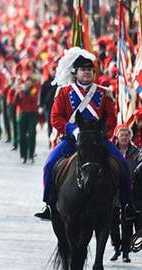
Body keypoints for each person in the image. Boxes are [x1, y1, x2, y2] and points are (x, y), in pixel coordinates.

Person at [34, 47, 140, 221]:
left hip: (98, 140)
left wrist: (101, 132)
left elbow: (111, 118)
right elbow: (55, 117)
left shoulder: (103, 93)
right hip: (72, 139)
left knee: (122, 164)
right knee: (49, 164)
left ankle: (127, 204)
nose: (87, 73)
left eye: (90, 70)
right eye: (83, 70)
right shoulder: (64, 92)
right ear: (75, 72)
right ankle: (50, 204)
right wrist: (72, 130)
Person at [110, 125, 139, 263]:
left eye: (127, 136)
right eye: (122, 135)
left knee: (127, 223)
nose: (124, 138)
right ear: (117, 137)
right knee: (113, 223)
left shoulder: (136, 152)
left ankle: (126, 252)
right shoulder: (111, 151)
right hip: (113, 192)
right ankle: (116, 248)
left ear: (130, 138)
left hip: (129, 192)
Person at [15, 76, 39, 164]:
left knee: (32, 134)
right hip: (22, 114)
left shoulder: (34, 89)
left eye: (30, 82)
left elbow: (33, 98)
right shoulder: (20, 90)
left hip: (32, 114)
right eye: (27, 82)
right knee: (22, 136)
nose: (28, 83)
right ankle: (23, 155)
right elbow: (16, 102)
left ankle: (31, 155)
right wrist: (18, 92)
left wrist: (24, 91)